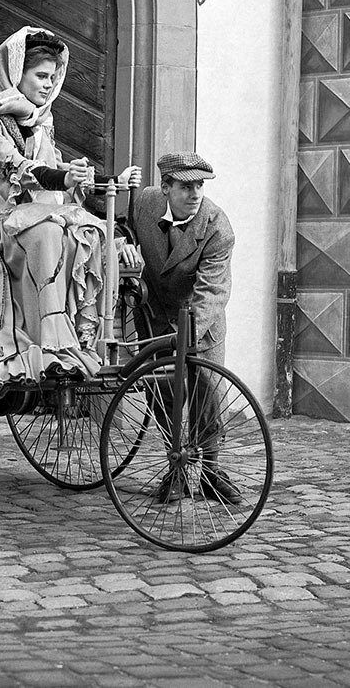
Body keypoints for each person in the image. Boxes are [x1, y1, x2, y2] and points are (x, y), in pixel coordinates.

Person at [0, 26, 139, 410]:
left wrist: (102, 179)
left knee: (88, 232)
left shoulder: (41, 122)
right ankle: (47, 344)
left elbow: (55, 170)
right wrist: (61, 177)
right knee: (49, 230)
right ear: (16, 75)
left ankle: (87, 337)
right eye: (41, 76)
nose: (49, 85)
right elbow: (15, 171)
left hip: (34, 213)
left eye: (53, 77)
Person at [131, 151, 241, 504]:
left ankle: (210, 471)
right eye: (185, 186)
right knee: (162, 394)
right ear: (165, 188)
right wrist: (121, 243)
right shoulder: (146, 202)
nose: (195, 194)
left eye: (199, 186)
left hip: (200, 324)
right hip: (155, 317)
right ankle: (175, 469)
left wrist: (187, 335)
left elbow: (212, 291)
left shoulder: (217, 228)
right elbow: (115, 218)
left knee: (205, 393)